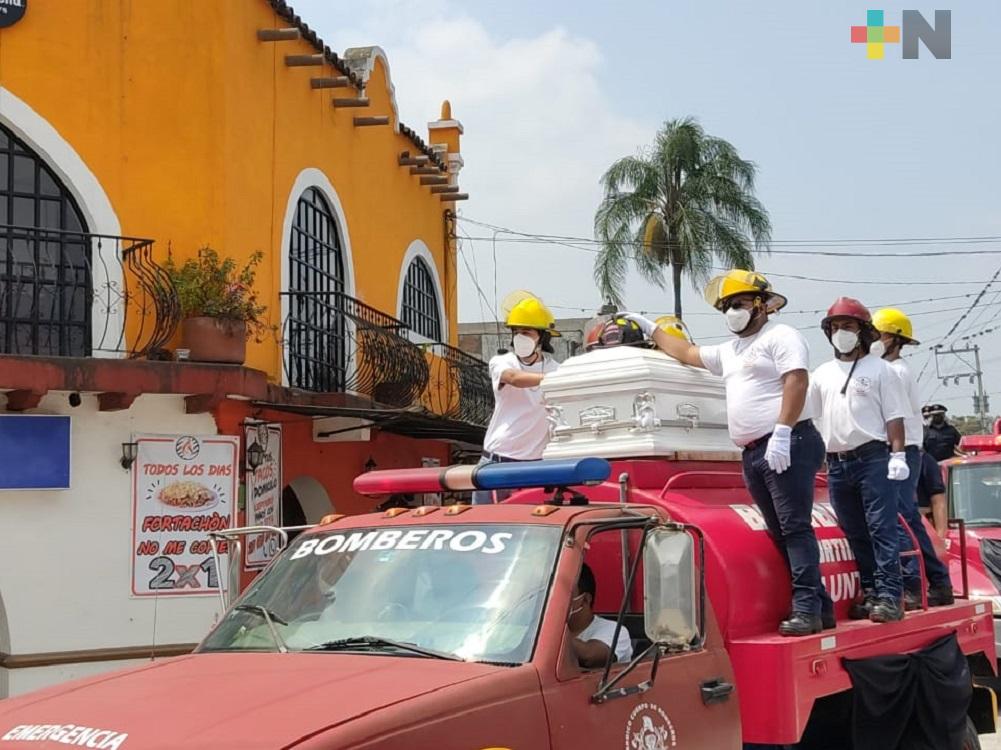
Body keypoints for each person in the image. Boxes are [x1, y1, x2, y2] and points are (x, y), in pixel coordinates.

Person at [622, 270, 832, 637]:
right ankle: (819, 605)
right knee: (780, 531)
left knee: (795, 527)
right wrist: (652, 328)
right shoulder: (731, 351)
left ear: (761, 305)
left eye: (737, 304)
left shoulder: (781, 336)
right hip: (754, 451)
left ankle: (807, 608)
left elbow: (796, 380)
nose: (731, 311)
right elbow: (686, 352)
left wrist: (782, 430)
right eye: (726, 307)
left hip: (788, 442)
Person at [810, 298, 909, 623]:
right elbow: (810, 416)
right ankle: (871, 592)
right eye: (835, 328)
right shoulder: (822, 374)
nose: (841, 333)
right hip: (837, 463)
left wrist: (898, 454)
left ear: (863, 331)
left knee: (882, 528)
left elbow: (895, 417)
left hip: (873, 458)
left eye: (848, 327)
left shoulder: (881, 370)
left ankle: (891, 596)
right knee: (854, 530)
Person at [871, 308, 954, 607]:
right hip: (902, 448)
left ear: (893, 339)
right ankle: (937, 581)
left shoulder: (893, 371)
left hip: (901, 449)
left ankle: (914, 583)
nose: (872, 340)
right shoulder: (891, 369)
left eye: (877, 334)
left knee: (901, 518)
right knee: (907, 517)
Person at [473, 293, 560, 505]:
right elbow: (514, 379)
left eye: (526, 332)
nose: (520, 337)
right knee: (487, 527)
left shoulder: (557, 369)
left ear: (542, 337)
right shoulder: (502, 362)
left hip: (537, 467)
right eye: (516, 332)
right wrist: (555, 379)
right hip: (496, 462)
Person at [568, 563, 633, 668]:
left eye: (563, 595)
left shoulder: (615, 630)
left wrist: (552, 634)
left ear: (585, 599)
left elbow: (590, 657)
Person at [916, 450, 949, 539]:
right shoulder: (880, 458)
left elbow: (938, 501)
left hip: (919, 530)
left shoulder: (924, 460)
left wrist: (940, 538)